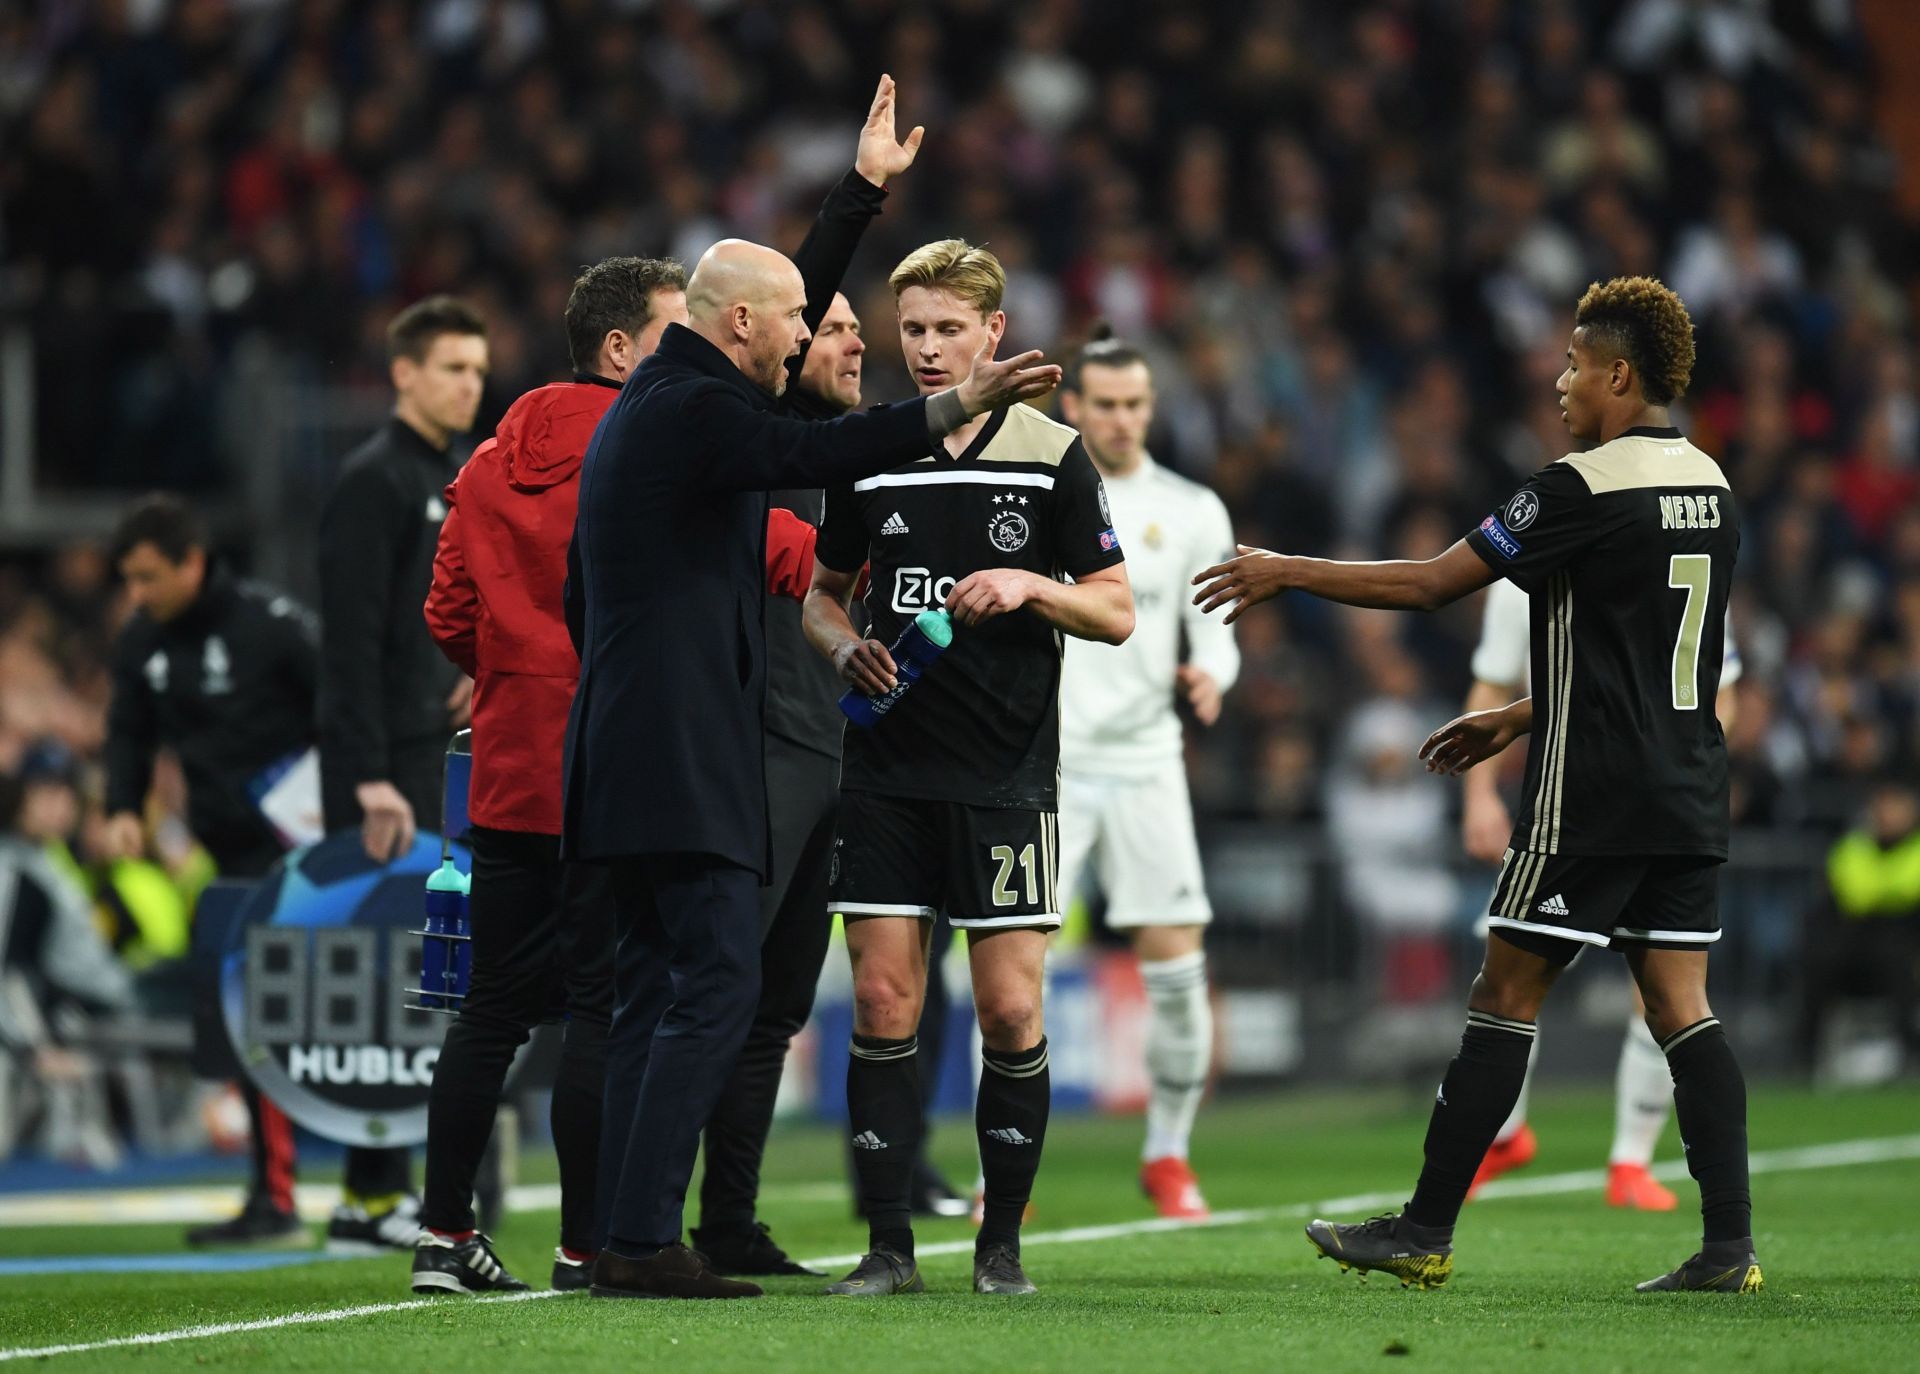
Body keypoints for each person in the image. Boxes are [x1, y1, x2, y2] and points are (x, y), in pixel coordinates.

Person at [1195, 276, 1761, 1294]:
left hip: (1593, 795)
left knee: (1502, 992)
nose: (1560, 382)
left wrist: (1285, 568)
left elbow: (1427, 583)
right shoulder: (1712, 484)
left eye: (1577, 365)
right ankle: (1730, 1249)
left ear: (1619, 375)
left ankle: (1423, 1228)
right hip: (1686, 788)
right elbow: (1657, 661)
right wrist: (1514, 716)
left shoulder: (1576, 486)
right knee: (1684, 1007)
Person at [565, 235, 1060, 1302]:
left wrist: (862, 194)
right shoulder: (689, 412)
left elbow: (580, 595)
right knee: (717, 984)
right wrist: (950, 405)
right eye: (798, 318)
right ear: (740, 322)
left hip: (628, 744)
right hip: (682, 751)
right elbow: (824, 451)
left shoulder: (661, 407)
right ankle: (646, 1239)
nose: (810, 335)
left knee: (656, 990)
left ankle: (624, 1233)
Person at [806, 240, 1134, 1299]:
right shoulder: (873, 450)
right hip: (885, 769)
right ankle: (888, 1248)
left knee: (1009, 1014)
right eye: (915, 331)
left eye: (950, 329)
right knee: (884, 999)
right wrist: (838, 641)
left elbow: (1118, 609)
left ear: (994, 332)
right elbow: (819, 591)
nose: (931, 350)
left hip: (1003, 776)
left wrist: (1030, 586)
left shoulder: (1052, 454)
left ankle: (1001, 1249)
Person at [693, 73, 953, 1279]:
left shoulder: (837, 468)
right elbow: (792, 286)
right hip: (753, 752)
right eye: (830, 330)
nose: (846, 343)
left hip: (824, 750)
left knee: (775, 1011)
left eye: (853, 331)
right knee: (719, 996)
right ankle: (627, 1219)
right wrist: (859, 193)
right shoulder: (770, 425)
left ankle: (728, 1222)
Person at [412, 256, 686, 1296]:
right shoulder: (642, 450)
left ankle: (443, 1238)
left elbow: (446, 617)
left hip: (510, 770)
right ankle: (583, 1249)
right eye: (672, 336)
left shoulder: (487, 465)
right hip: (610, 764)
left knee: (490, 1012)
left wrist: (514, 675)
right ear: (619, 349)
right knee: (599, 1012)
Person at [1460, 576, 1742, 1210]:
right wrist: (1479, 795)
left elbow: (1722, 687)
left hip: (1654, 806)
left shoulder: (1668, 553)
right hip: (1571, 809)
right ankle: (1503, 1136)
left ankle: (1631, 1161)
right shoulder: (1521, 576)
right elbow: (1494, 678)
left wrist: (1690, 769)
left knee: (1666, 992)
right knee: (1505, 971)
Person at [316, 295, 489, 1251]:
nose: (470, 383)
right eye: (453, 367)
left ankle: (405, 1186)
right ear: (403, 374)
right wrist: (366, 776)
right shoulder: (373, 481)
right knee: (395, 969)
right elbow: (346, 645)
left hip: (440, 756)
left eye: (477, 368)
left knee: (438, 969)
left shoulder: (454, 475)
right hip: (389, 770)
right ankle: (365, 1193)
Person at [1054, 329, 1238, 1219]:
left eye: (1136, 404)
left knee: (1176, 966)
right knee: (1015, 971)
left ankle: (1168, 1152)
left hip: (1145, 760)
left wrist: (1214, 674)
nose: (1123, 420)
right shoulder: (1042, 492)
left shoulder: (1193, 507)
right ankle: (992, 1174)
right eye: (1107, 405)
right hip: (1047, 763)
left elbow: (1220, 630)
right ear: (1073, 407)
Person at [100, 495, 316, 1245]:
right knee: (244, 1023)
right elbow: (128, 730)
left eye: (148, 577)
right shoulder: (143, 641)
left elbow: (345, 710)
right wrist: (122, 803)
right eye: (129, 580)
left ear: (193, 562)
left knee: (326, 1018)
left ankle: (377, 1191)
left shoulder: (271, 626)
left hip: (307, 860)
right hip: (227, 860)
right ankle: (275, 1195)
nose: (137, 594)